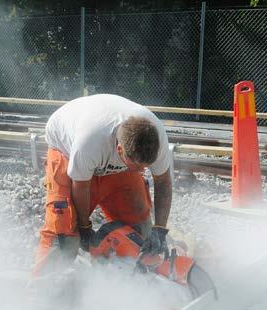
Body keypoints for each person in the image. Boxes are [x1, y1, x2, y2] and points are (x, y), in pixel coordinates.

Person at [33, 94, 172, 277]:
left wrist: (160, 230)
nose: (143, 171)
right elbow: (80, 186)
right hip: (67, 154)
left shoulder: (157, 139)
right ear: (120, 150)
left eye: (145, 166)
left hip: (111, 161)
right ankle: (40, 292)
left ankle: (126, 284)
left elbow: (162, 181)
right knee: (64, 240)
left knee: (141, 233)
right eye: (138, 166)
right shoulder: (89, 142)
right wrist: (84, 227)